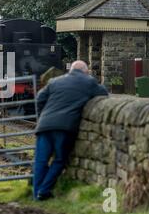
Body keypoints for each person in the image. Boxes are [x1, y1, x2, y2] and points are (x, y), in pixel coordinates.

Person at [33, 61, 108, 201]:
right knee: (60, 160)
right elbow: (104, 93)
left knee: (40, 161)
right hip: (64, 127)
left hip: (44, 125)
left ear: (71, 70)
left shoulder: (54, 81)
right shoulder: (89, 82)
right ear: (86, 71)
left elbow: (40, 98)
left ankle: (36, 193)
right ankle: (43, 191)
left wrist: (42, 116)